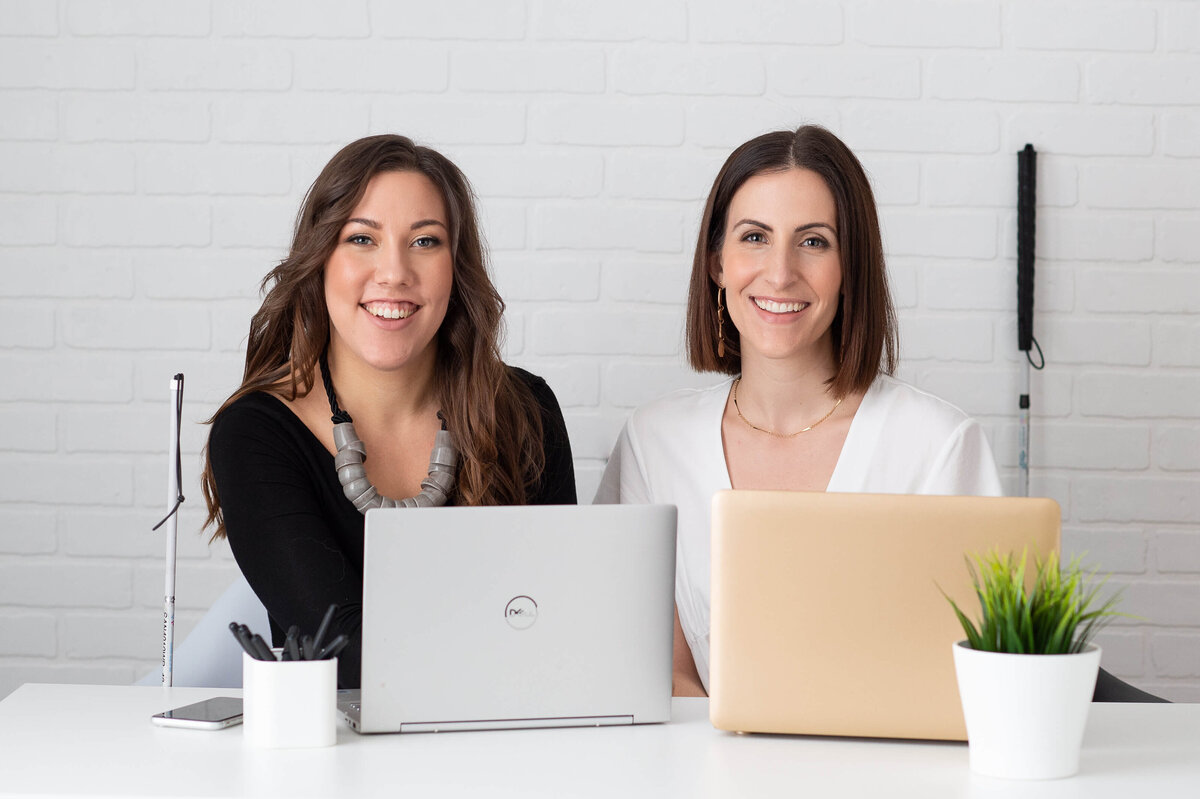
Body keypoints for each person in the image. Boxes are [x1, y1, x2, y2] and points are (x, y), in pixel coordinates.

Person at [594, 125, 1001, 697]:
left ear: (849, 266)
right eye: (754, 237)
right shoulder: (653, 441)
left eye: (813, 241)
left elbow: (977, 675)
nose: (780, 272)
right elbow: (650, 667)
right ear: (717, 263)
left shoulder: (937, 446)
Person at [202, 134, 577, 688]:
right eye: (362, 239)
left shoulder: (526, 409)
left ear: (457, 267)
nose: (394, 272)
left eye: (425, 241)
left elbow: (564, 618)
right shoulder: (255, 435)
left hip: (506, 743)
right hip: (341, 756)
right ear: (321, 259)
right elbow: (344, 650)